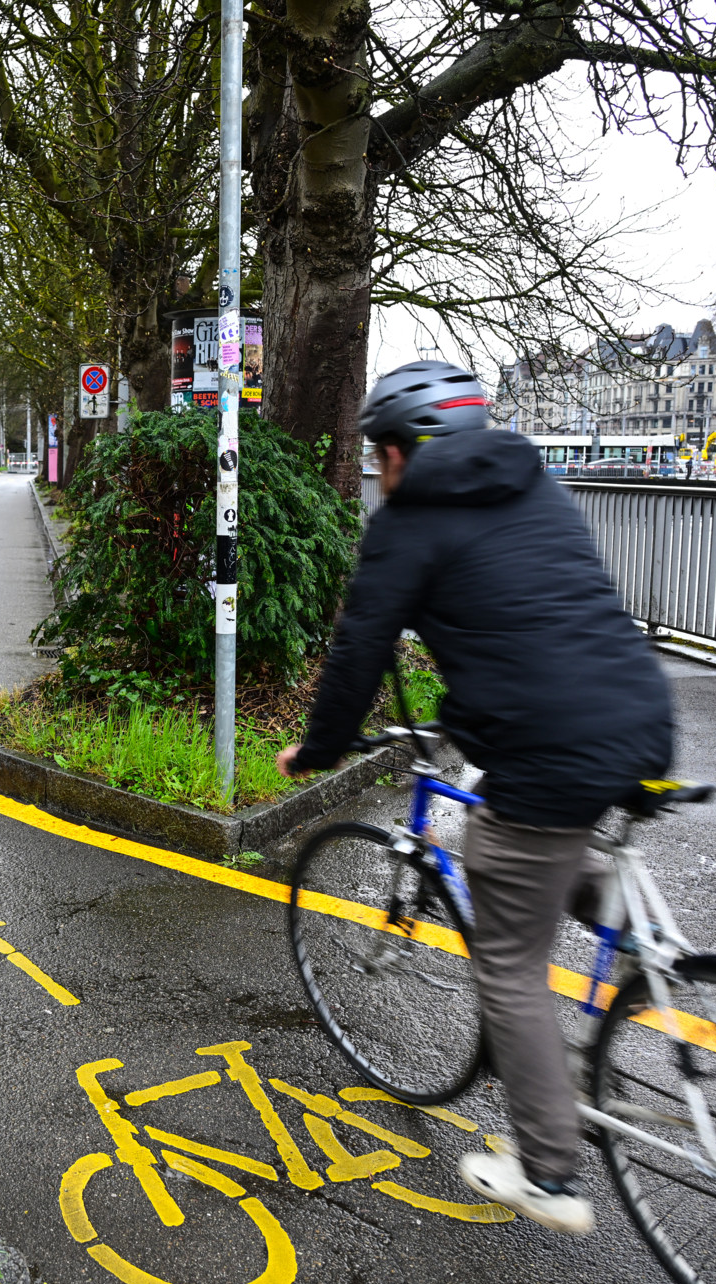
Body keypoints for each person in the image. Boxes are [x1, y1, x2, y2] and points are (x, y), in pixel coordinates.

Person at [276, 359, 674, 1236]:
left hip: (545, 753)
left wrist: (322, 746)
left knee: (506, 957)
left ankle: (549, 1171)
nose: (378, 472)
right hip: (639, 719)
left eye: (381, 453)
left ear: (410, 452)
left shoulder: (408, 524)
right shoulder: (536, 485)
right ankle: (619, 918)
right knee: (539, 851)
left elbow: (358, 651)